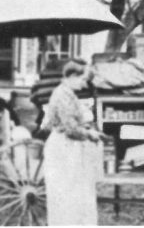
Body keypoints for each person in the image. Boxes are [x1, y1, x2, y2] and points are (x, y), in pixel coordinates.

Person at [42, 59, 106, 226]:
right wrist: (89, 133)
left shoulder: (67, 93)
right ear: (71, 76)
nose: (84, 85)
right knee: (67, 194)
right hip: (63, 148)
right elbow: (71, 129)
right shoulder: (62, 95)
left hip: (68, 146)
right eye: (83, 80)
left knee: (75, 193)